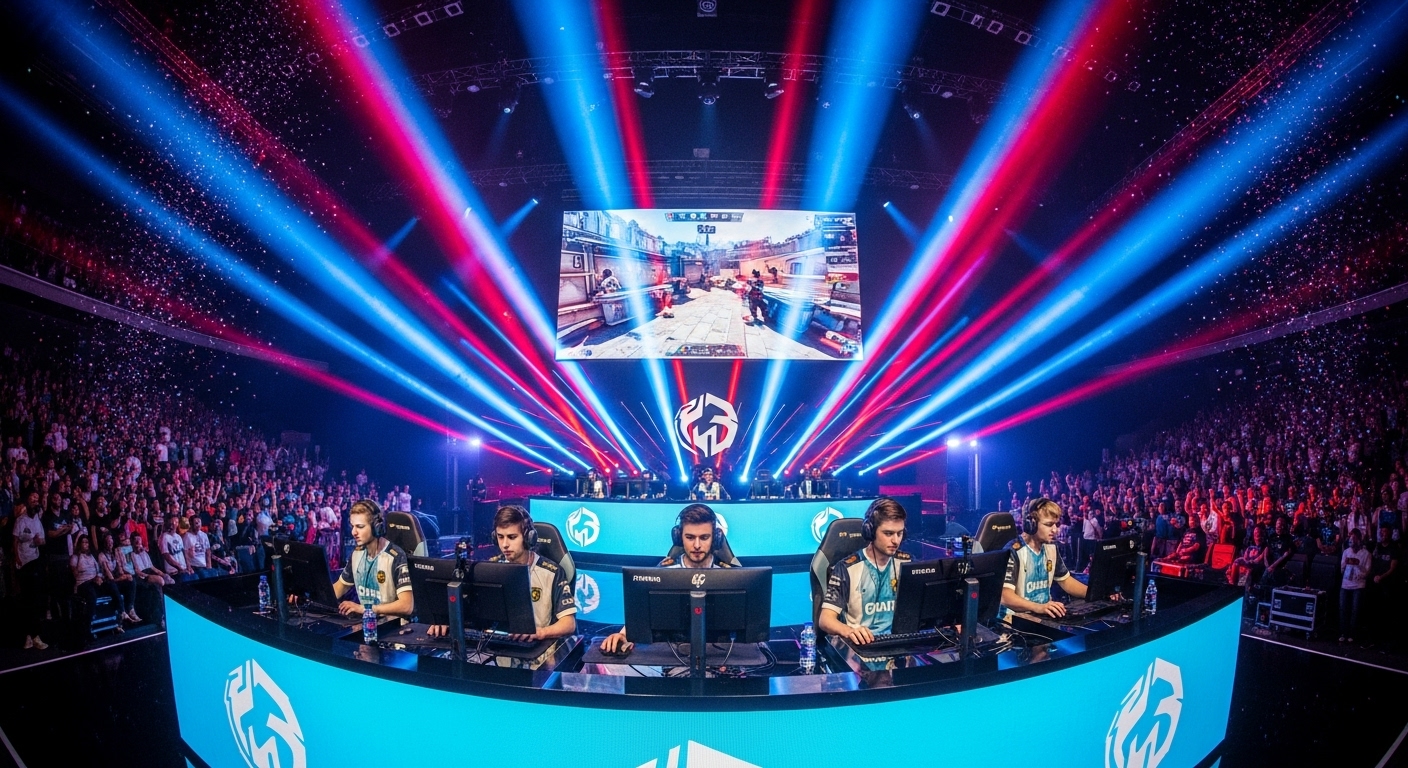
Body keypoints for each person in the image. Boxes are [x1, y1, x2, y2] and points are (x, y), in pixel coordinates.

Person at [600, 504, 732, 653]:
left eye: (704, 537)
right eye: (689, 537)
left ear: (715, 538)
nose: (697, 545)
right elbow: (642, 614)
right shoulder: (661, 574)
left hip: (720, 656)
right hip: (670, 656)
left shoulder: (730, 577)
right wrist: (624, 635)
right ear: (679, 537)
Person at [431, 505, 576, 641]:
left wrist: (541, 632)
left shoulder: (552, 572)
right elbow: (470, 612)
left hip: (536, 648)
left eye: (512, 537)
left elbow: (569, 624)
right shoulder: (489, 569)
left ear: (528, 538)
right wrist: (447, 621)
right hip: (496, 646)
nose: (505, 544)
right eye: (500, 537)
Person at [817, 497, 912, 645]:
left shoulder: (907, 564)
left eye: (899, 533)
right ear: (871, 532)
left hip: (898, 644)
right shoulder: (847, 568)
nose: (896, 541)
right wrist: (849, 631)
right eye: (888, 533)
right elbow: (825, 620)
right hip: (861, 646)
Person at [1000, 498, 1092, 621]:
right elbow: (1005, 596)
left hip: (1043, 616)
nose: (1055, 530)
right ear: (1031, 524)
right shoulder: (1013, 550)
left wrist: (1097, 594)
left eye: (1056, 524)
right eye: (1049, 525)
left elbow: (1066, 581)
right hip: (1015, 621)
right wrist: (1038, 607)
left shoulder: (1051, 548)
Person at [331, 499, 414, 620]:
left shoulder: (396, 556)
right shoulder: (357, 554)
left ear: (376, 527)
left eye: (360, 527)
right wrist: (312, 598)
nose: (353, 532)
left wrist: (366, 609)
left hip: (393, 628)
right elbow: (340, 587)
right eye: (353, 526)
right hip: (367, 625)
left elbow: (407, 606)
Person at [12, 502, 49, 649]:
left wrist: (40, 541)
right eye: (33, 502)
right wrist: (17, 558)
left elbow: (44, 540)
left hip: (35, 561)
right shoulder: (20, 520)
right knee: (27, 600)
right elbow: (15, 540)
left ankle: (33, 635)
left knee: (35, 599)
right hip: (23, 562)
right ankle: (29, 635)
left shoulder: (37, 521)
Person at [1338, 528, 1370, 643]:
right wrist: (1345, 564)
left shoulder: (1366, 554)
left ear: (1359, 539)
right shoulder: (1346, 552)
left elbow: (1367, 572)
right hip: (1345, 584)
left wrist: (1357, 565)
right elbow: (1341, 570)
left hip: (1358, 585)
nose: (1352, 540)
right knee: (1343, 608)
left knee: (1355, 610)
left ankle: (1352, 634)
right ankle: (1343, 632)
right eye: (1351, 538)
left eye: (1354, 538)